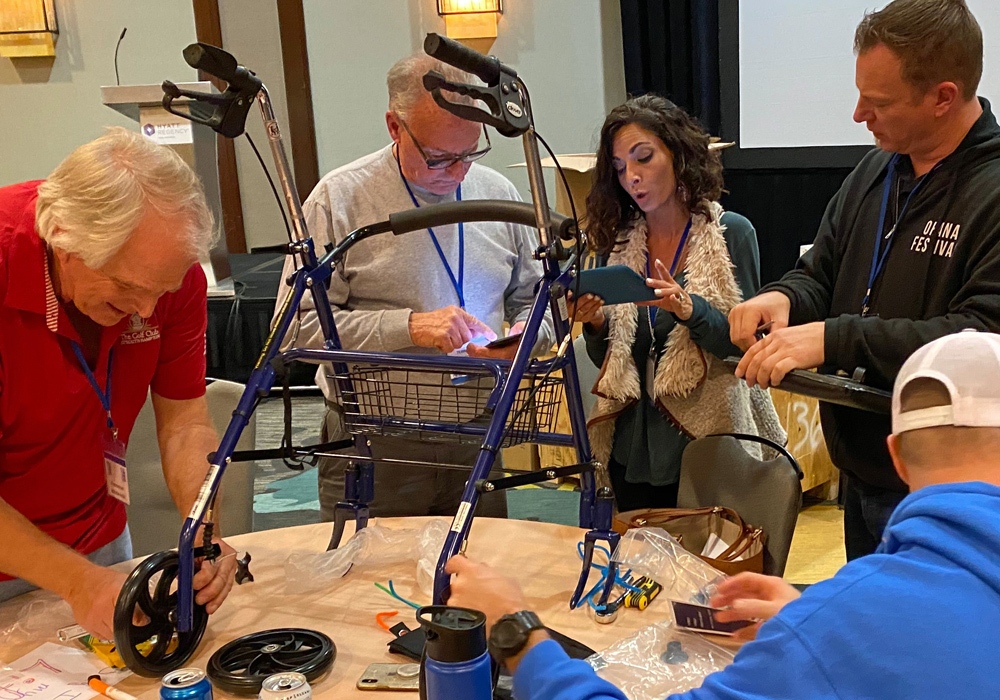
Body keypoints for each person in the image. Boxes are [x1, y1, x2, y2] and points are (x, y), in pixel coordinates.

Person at [447, 329, 1000, 699]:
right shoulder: (846, 621)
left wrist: (516, 631)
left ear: (896, 456)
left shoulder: (847, 627)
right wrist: (815, 613)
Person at [729, 0, 1000, 559]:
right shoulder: (874, 172)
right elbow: (820, 272)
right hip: (864, 473)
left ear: (944, 97)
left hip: (952, 496)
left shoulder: (992, 190)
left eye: (878, 102)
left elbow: (980, 339)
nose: (858, 114)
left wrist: (834, 337)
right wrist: (784, 298)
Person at [274, 53, 554, 520]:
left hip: (479, 433)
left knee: (477, 582)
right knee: (373, 585)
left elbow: (539, 299)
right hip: (375, 441)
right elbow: (292, 327)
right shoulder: (340, 200)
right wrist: (408, 327)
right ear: (394, 126)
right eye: (440, 158)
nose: (459, 171)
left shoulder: (500, 194)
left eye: (470, 153)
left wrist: (528, 334)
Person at [0, 128, 238, 640]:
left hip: (99, 545)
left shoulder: (166, 276)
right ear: (62, 239)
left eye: (162, 290)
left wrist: (204, 529)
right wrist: (78, 583)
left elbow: (185, 421)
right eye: (127, 287)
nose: (147, 311)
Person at [572, 95, 784, 511]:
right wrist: (595, 324)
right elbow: (612, 360)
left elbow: (745, 348)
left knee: (705, 570)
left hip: (705, 438)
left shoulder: (730, 232)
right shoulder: (615, 244)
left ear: (678, 155)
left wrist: (691, 311)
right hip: (632, 443)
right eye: (619, 168)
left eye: (643, 158)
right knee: (638, 569)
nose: (632, 177)